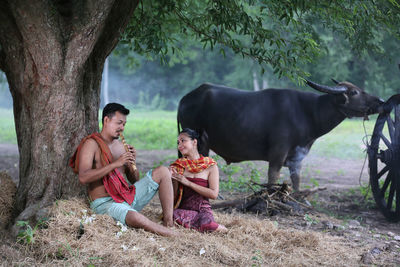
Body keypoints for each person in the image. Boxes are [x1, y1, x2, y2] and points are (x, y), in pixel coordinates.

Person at [69, 103, 177, 237]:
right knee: (136, 218)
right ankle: (172, 235)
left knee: (163, 171)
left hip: (127, 196)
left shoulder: (121, 146)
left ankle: (168, 222)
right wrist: (116, 164)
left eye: (124, 124)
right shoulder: (91, 144)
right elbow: (83, 177)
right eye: (119, 123)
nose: (122, 128)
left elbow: (135, 180)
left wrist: (132, 163)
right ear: (106, 120)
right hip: (106, 203)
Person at [170, 128, 227, 233]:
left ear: (194, 142)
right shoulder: (178, 166)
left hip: (203, 211)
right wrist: (172, 179)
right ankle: (198, 226)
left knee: (206, 223)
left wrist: (188, 183)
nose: (180, 145)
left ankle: (212, 226)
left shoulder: (210, 165)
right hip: (184, 211)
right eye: (178, 142)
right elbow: (173, 197)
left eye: (183, 140)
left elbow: (214, 194)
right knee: (170, 216)